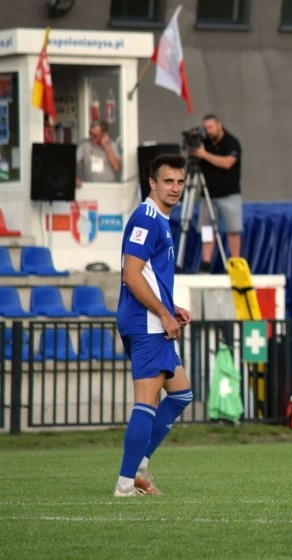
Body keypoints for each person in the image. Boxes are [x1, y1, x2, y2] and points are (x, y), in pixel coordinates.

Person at [113, 153, 194, 497]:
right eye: (168, 181)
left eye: (179, 182)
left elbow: (146, 275)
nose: (175, 188)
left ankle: (140, 466)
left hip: (152, 319)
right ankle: (126, 483)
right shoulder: (147, 218)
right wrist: (162, 313)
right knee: (146, 401)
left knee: (181, 394)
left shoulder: (160, 220)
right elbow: (131, 274)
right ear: (152, 183)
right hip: (145, 324)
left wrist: (169, 306)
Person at [189, 114, 242, 271]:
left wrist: (204, 154)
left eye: (211, 127)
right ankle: (206, 262)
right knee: (207, 230)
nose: (209, 131)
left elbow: (227, 163)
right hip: (208, 196)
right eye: (206, 128)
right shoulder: (204, 143)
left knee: (233, 230)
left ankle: (235, 263)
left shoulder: (232, 142)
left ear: (219, 125)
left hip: (229, 195)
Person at [76, 120, 121, 184]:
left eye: (95, 135)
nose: (91, 137)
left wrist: (107, 147)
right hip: (91, 186)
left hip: (109, 186)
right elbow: (70, 163)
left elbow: (116, 167)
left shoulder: (112, 145)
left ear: (103, 135)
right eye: (90, 133)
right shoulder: (85, 146)